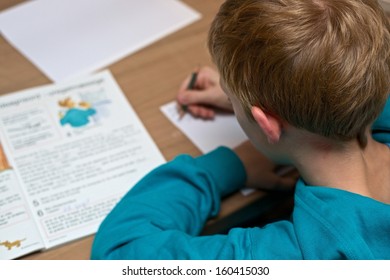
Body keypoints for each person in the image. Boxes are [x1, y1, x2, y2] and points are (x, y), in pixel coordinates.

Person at [91, 0, 390, 259]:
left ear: (266, 124)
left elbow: (120, 253)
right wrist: (274, 95)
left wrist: (230, 165)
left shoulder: (302, 256)